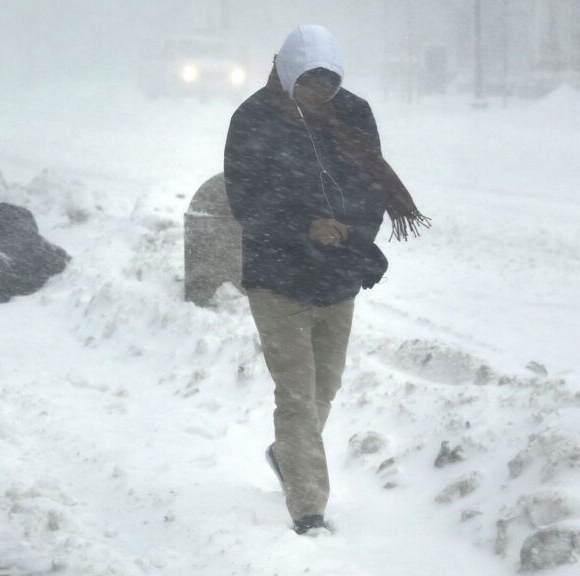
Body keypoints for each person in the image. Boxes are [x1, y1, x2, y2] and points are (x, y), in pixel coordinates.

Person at [223, 25, 429, 535]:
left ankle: (287, 455)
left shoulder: (352, 113)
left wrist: (350, 232)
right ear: (289, 75)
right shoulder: (253, 119)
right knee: (295, 392)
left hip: (336, 274)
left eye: (328, 85)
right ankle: (308, 508)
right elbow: (246, 200)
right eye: (310, 84)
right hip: (277, 274)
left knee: (325, 387)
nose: (320, 95)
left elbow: (371, 184)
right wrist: (305, 226)